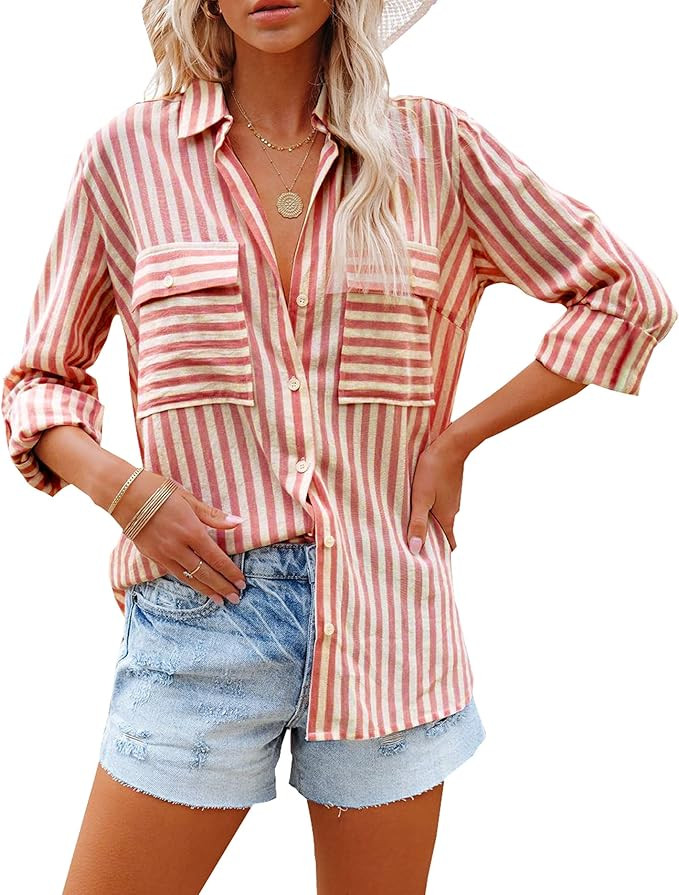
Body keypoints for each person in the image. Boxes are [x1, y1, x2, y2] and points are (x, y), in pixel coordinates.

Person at [2, 1, 675, 893]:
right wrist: (130, 494)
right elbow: (40, 380)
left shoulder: (436, 150)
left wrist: (458, 440)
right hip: (202, 616)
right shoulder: (127, 157)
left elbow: (625, 296)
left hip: (388, 615)